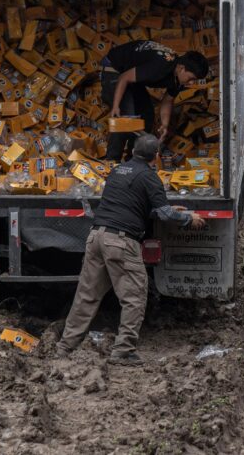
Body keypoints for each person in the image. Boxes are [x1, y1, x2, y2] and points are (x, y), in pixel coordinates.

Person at [56, 134, 206, 365]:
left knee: (87, 295)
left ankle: (65, 347)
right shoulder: (150, 177)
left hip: (97, 236)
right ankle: (123, 351)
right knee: (134, 296)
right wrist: (187, 218)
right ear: (155, 156)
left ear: (133, 152)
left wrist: (164, 207)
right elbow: (164, 214)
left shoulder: (118, 171)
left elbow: (134, 204)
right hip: (121, 242)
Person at [101, 40, 209, 161]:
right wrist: (116, 105)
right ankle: (111, 161)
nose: (191, 83)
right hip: (115, 69)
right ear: (181, 68)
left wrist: (164, 124)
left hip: (132, 75)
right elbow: (124, 77)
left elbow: (168, 100)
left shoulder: (179, 78)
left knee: (147, 114)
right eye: (191, 78)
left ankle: (133, 160)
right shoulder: (160, 66)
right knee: (125, 118)